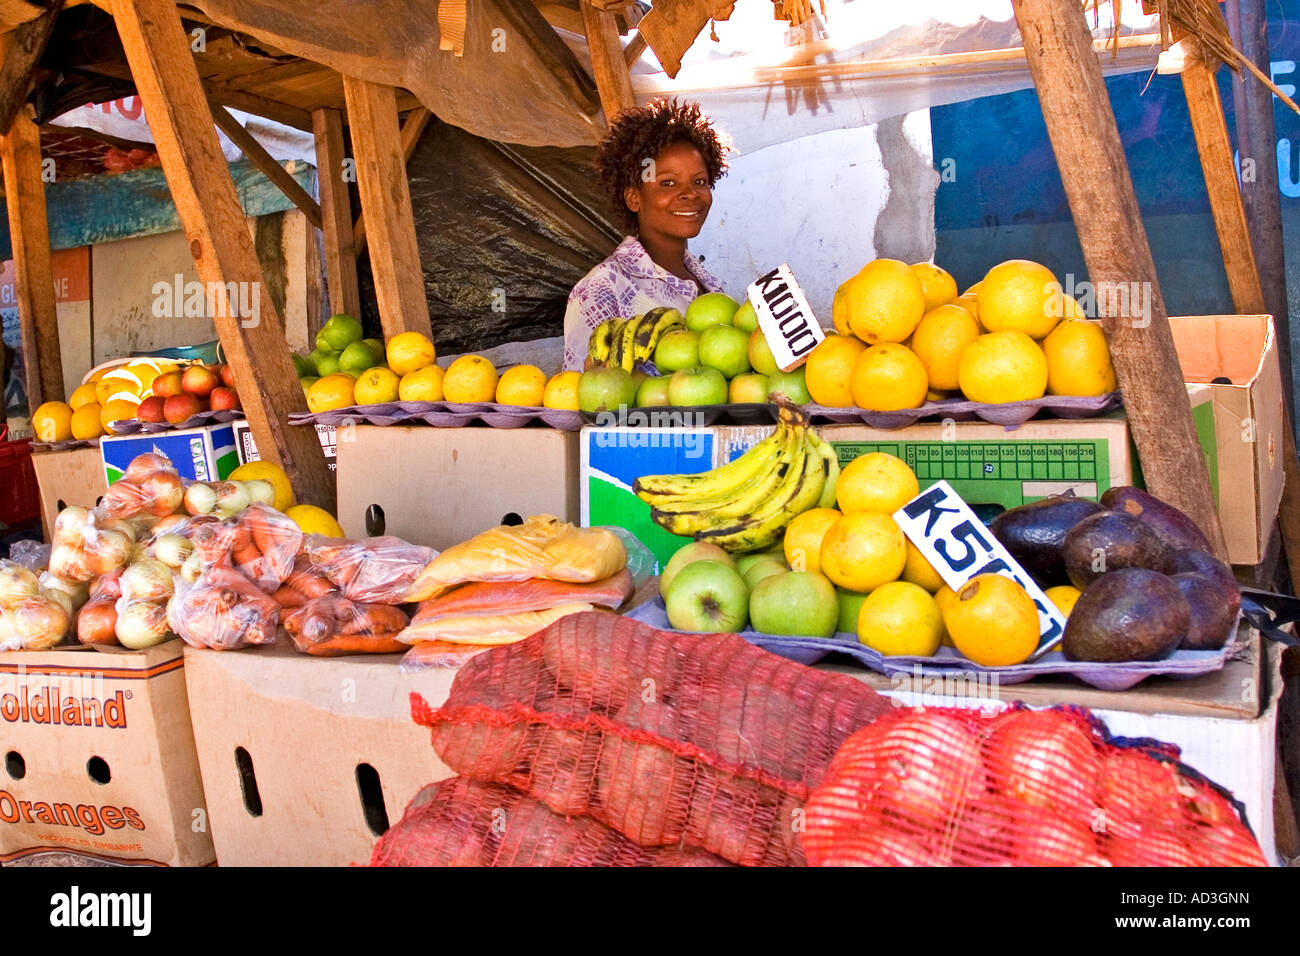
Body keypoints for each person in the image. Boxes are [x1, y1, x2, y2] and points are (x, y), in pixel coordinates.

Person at [563, 99, 731, 371]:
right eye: (667, 183)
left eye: (699, 181)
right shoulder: (601, 289)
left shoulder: (711, 287)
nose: (690, 193)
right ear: (633, 198)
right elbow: (579, 394)